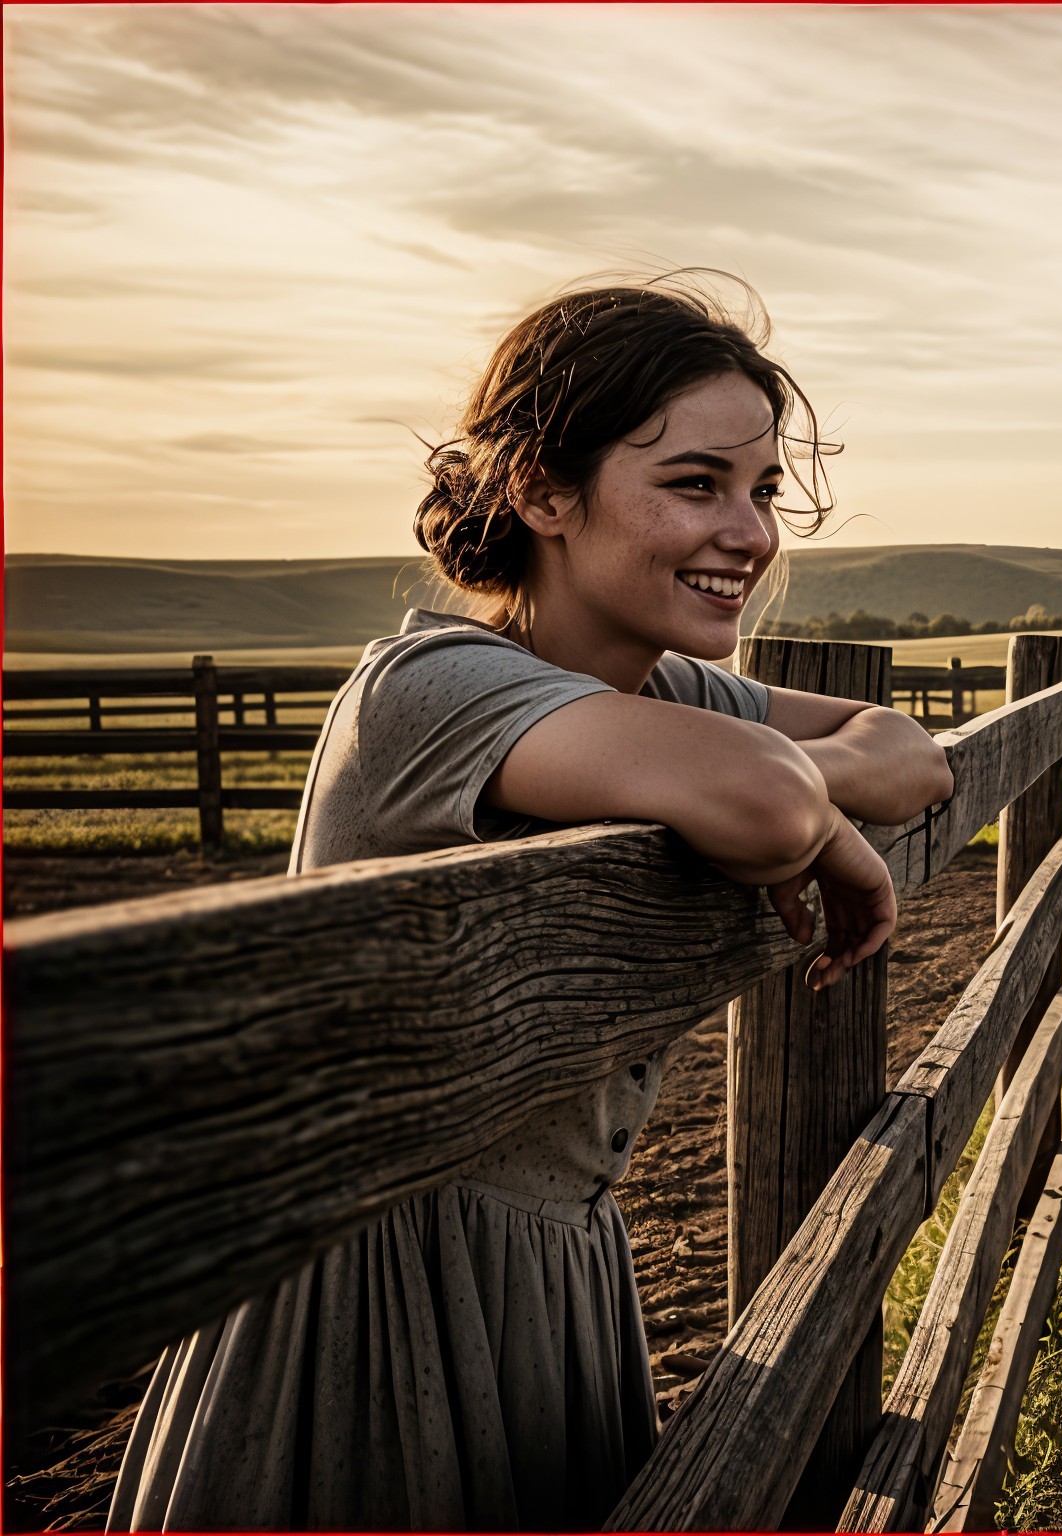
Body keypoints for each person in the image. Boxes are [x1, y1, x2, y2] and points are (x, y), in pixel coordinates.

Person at [109, 276, 954, 1530]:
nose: (750, 534)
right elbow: (771, 807)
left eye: (764, 490)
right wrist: (802, 807)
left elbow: (909, 751)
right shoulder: (434, 688)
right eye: (695, 483)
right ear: (541, 492)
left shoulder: (667, 695)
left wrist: (793, 785)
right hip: (376, 1291)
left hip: (556, 1268)